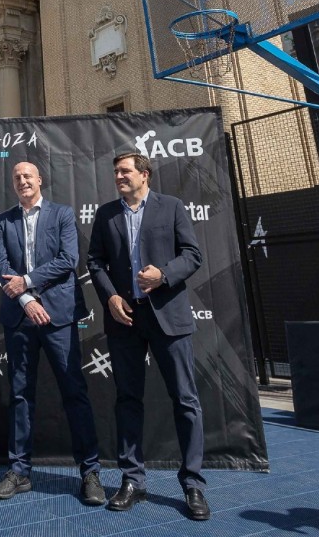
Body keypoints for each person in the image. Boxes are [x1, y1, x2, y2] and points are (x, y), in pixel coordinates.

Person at [86, 152, 209, 520]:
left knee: (185, 400)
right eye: (116, 172)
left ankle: (193, 486)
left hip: (168, 318)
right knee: (127, 400)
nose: (118, 176)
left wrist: (164, 275)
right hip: (125, 320)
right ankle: (132, 480)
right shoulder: (106, 213)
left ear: (144, 174)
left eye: (125, 171)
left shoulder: (170, 207)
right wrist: (110, 296)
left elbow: (193, 254)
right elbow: (95, 261)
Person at [0, 162, 105, 505]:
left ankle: (90, 473)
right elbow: (0, 267)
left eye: (28, 176)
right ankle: (19, 471)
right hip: (20, 317)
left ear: (39, 180)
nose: (22, 180)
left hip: (58, 316)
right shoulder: (3, 221)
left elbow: (68, 260)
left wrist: (27, 281)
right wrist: (25, 299)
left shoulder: (62, 214)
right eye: (17, 177)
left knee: (75, 393)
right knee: (21, 395)